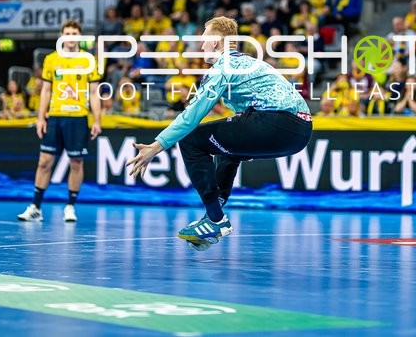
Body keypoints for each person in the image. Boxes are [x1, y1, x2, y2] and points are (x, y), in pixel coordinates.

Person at [126, 16, 313, 251]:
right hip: (300, 132)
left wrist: (156, 146)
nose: (200, 45)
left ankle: (215, 219)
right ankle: (213, 216)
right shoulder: (250, 63)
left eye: (203, 39)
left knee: (191, 140)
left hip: (277, 122)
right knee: (226, 148)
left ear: (215, 41)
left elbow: (193, 115)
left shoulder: (223, 67)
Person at [17, 19, 102, 223]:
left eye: (74, 34)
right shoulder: (51, 60)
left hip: (78, 118)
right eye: (67, 33)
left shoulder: (88, 60)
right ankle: (36, 207)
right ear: (62, 36)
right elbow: (46, 90)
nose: (71, 37)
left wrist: (97, 120)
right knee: (44, 161)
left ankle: (70, 206)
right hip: (55, 117)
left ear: (79, 37)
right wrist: (40, 118)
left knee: (76, 162)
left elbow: (93, 92)